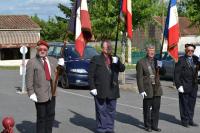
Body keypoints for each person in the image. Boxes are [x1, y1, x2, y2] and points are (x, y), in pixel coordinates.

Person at [25, 40, 64, 133]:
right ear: (37, 50)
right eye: (41, 49)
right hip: (39, 94)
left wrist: (62, 66)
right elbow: (28, 79)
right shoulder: (32, 62)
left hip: (52, 93)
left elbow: (59, 74)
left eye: (45, 49)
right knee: (41, 117)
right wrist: (31, 93)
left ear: (47, 51)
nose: (42, 51)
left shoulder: (53, 60)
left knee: (50, 116)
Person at [88, 40, 125, 133]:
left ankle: (109, 129)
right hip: (100, 89)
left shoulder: (115, 58)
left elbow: (122, 69)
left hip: (113, 89)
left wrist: (118, 62)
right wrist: (92, 87)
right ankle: (101, 129)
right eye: (107, 47)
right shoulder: (96, 59)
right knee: (101, 111)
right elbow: (91, 74)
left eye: (110, 47)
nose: (109, 48)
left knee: (111, 111)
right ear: (102, 48)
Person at [136, 44, 165, 132]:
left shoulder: (157, 61)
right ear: (147, 51)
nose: (152, 52)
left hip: (157, 88)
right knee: (147, 109)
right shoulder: (141, 62)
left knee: (156, 108)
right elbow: (139, 77)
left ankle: (154, 125)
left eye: (153, 50)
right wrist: (141, 90)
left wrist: (161, 66)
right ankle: (147, 125)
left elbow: (163, 73)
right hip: (147, 88)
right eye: (150, 50)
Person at [174, 43, 199, 127]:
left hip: (194, 85)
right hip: (184, 85)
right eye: (188, 50)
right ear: (185, 51)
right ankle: (185, 121)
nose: (190, 52)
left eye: (192, 50)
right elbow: (176, 74)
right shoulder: (180, 59)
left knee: (192, 104)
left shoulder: (196, 59)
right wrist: (178, 85)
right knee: (184, 104)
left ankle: (190, 119)